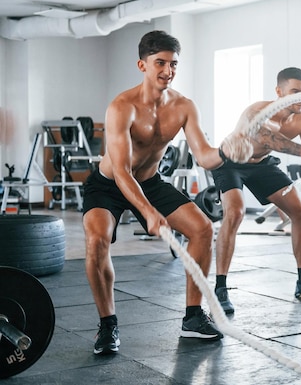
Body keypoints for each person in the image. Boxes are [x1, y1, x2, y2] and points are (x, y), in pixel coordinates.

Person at [81, 30, 260, 355]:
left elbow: (205, 156)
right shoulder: (122, 107)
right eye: (160, 63)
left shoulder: (184, 107)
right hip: (108, 185)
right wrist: (148, 212)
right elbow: (122, 171)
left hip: (150, 181)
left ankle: (192, 318)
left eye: (173, 64)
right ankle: (108, 325)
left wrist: (228, 151)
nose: (168, 70)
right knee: (96, 242)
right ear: (142, 65)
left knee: (203, 229)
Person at [212, 67, 301, 315]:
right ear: (279, 92)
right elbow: (267, 139)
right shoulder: (257, 111)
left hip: (262, 166)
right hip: (231, 163)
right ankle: (220, 289)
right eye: (294, 92)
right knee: (235, 213)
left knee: (300, 211)